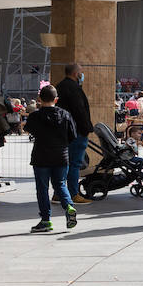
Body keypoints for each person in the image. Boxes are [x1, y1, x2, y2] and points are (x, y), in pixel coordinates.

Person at [24, 84, 78, 233]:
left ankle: (46, 220)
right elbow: (72, 136)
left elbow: (28, 129)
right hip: (61, 156)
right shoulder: (66, 115)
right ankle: (69, 206)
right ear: (56, 99)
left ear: (40, 99)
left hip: (41, 157)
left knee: (42, 188)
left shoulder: (36, 115)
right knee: (60, 184)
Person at [56, 63, 94, 206]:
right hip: (76, 131)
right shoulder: (74, 88)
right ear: (75, 74)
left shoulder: (60, 86)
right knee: (74, 164)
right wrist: (86, 128)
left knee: (64, 163)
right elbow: (79, 111)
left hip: (64, 131)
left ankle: (58, 193)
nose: (82, 75)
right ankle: (73, 193)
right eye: (81, 72)